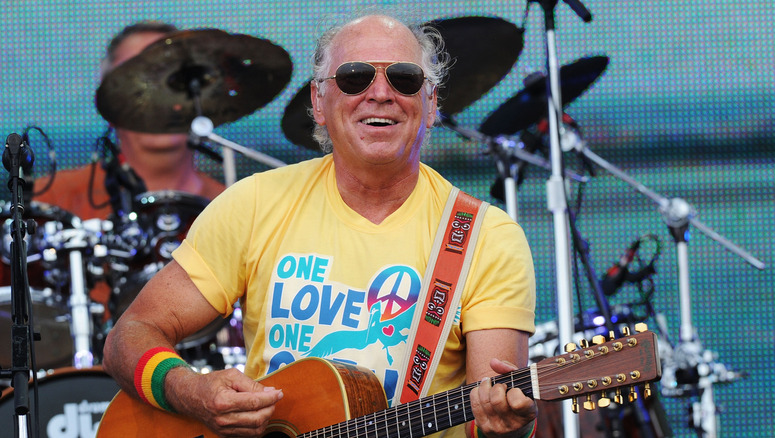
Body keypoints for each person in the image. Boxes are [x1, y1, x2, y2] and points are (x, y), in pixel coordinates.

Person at [102, 12, 537, 438]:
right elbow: (129, 335)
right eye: (354, 77)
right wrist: (191, 391)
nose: (380, 93)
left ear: (431, 103)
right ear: (318, 102)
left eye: (404, 77)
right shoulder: (254, 203)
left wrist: (507, 428)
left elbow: (494, 412)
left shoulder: (487, 237)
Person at [33, 20, 225, 220]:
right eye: (136, 80)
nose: (157, 95)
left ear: (200, 99)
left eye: (174, 79)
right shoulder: (46, 202)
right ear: (108, 104)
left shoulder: (237, 213)